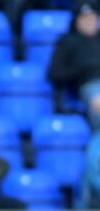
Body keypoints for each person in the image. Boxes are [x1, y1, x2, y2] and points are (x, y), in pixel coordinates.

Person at [47, 0, 100, 130]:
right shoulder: (67, 41)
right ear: (77, 20)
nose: (89, 21)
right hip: (88, 85)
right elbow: (54, 73)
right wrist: (81, 69)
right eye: (85, 18)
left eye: (92, 17)